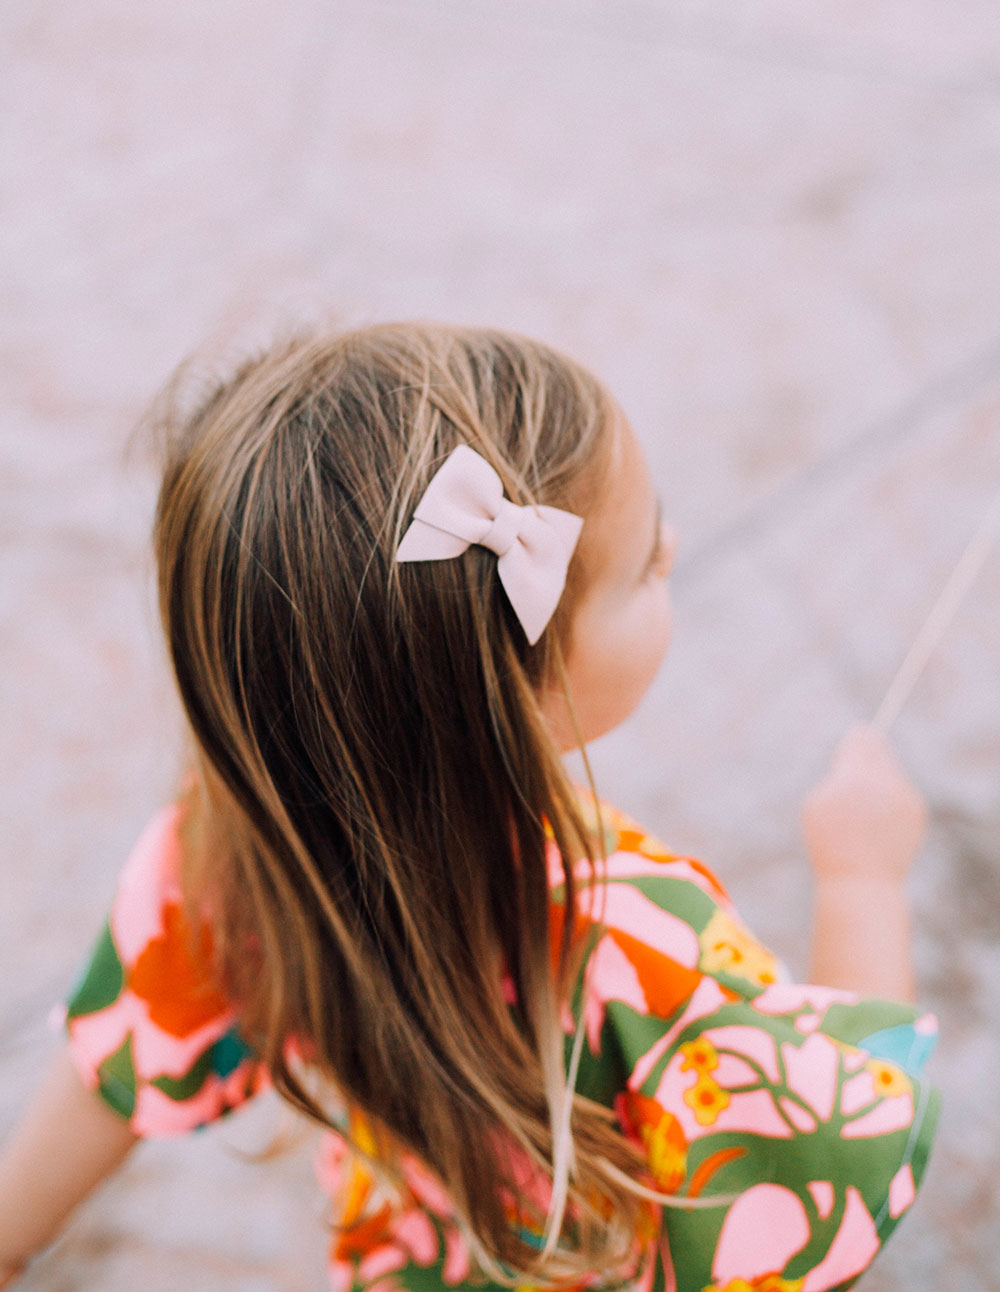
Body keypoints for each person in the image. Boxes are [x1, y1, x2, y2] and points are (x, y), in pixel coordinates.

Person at [0, 322, 939, 1292]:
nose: (671, 544)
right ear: (507, 690)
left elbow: (109, 1070)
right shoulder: (630, 935)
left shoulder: (234, 846)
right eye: (643, 568)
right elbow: (826, 1171)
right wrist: (859, 883)